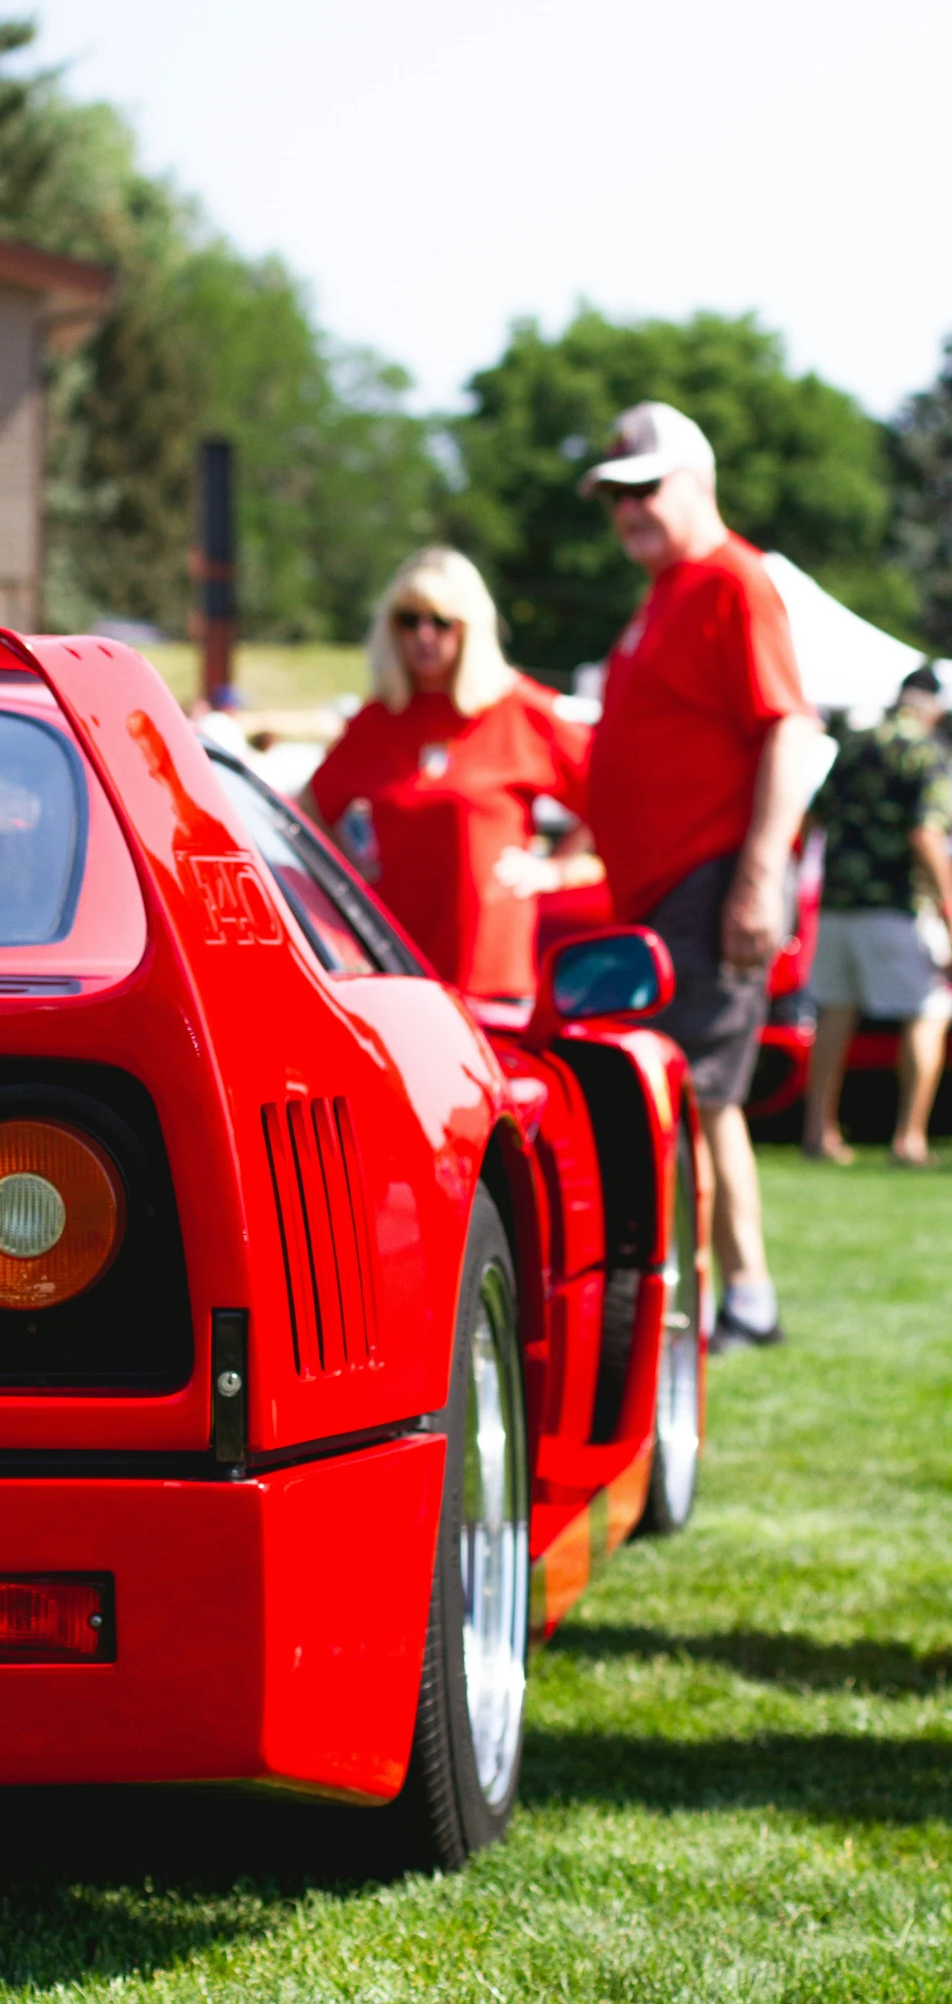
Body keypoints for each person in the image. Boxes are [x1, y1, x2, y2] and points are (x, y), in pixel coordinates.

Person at [580, 402, 821, 1353]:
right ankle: (726, 1296)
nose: (629, 511)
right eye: (615, 498)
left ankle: (724, 1299)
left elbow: (789, 731)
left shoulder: (730, 581)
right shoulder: (667, 591)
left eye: (645, 489)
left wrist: (757, 877)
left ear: (694, 482)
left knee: (693, 1096)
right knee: (686, 1094)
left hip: (707, 881)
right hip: (661, 890)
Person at [299, 547, 600, 999]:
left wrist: (556, 870)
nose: (424, 635)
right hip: (396, 964)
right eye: (408, 620)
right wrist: (350, 871)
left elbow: (611, 792)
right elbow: (310, 808)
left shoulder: (518, 709)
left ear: (471, 628)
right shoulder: (378, 719)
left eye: (441, 621)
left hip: (491, 971)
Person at [802, 669, 952, 1167]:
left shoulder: (855, 744)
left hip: (838, 903)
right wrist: (950, 906)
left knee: (835, 1013)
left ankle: (819, 1133)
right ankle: (908, 1138)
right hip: (898, 907)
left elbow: (811, 818)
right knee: (928, 1013)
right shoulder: (927, 752)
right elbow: (926, 836)